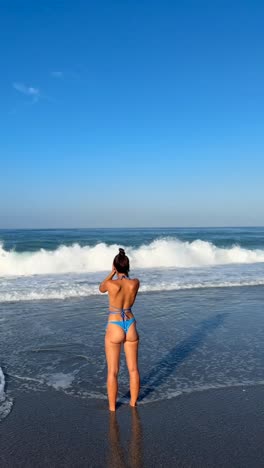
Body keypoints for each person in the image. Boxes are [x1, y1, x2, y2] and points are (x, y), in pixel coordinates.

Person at [99, 248, 140, 411]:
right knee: (133, 369)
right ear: (128, 266)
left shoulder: (111, 284)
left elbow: (101, 288)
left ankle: (112, 408)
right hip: (130, 323)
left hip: (115, 325)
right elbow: (127, 281)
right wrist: (120, 272)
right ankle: (133, 404)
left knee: (113, 371)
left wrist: (111, 273)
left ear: (115, 266)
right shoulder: (135, 283)